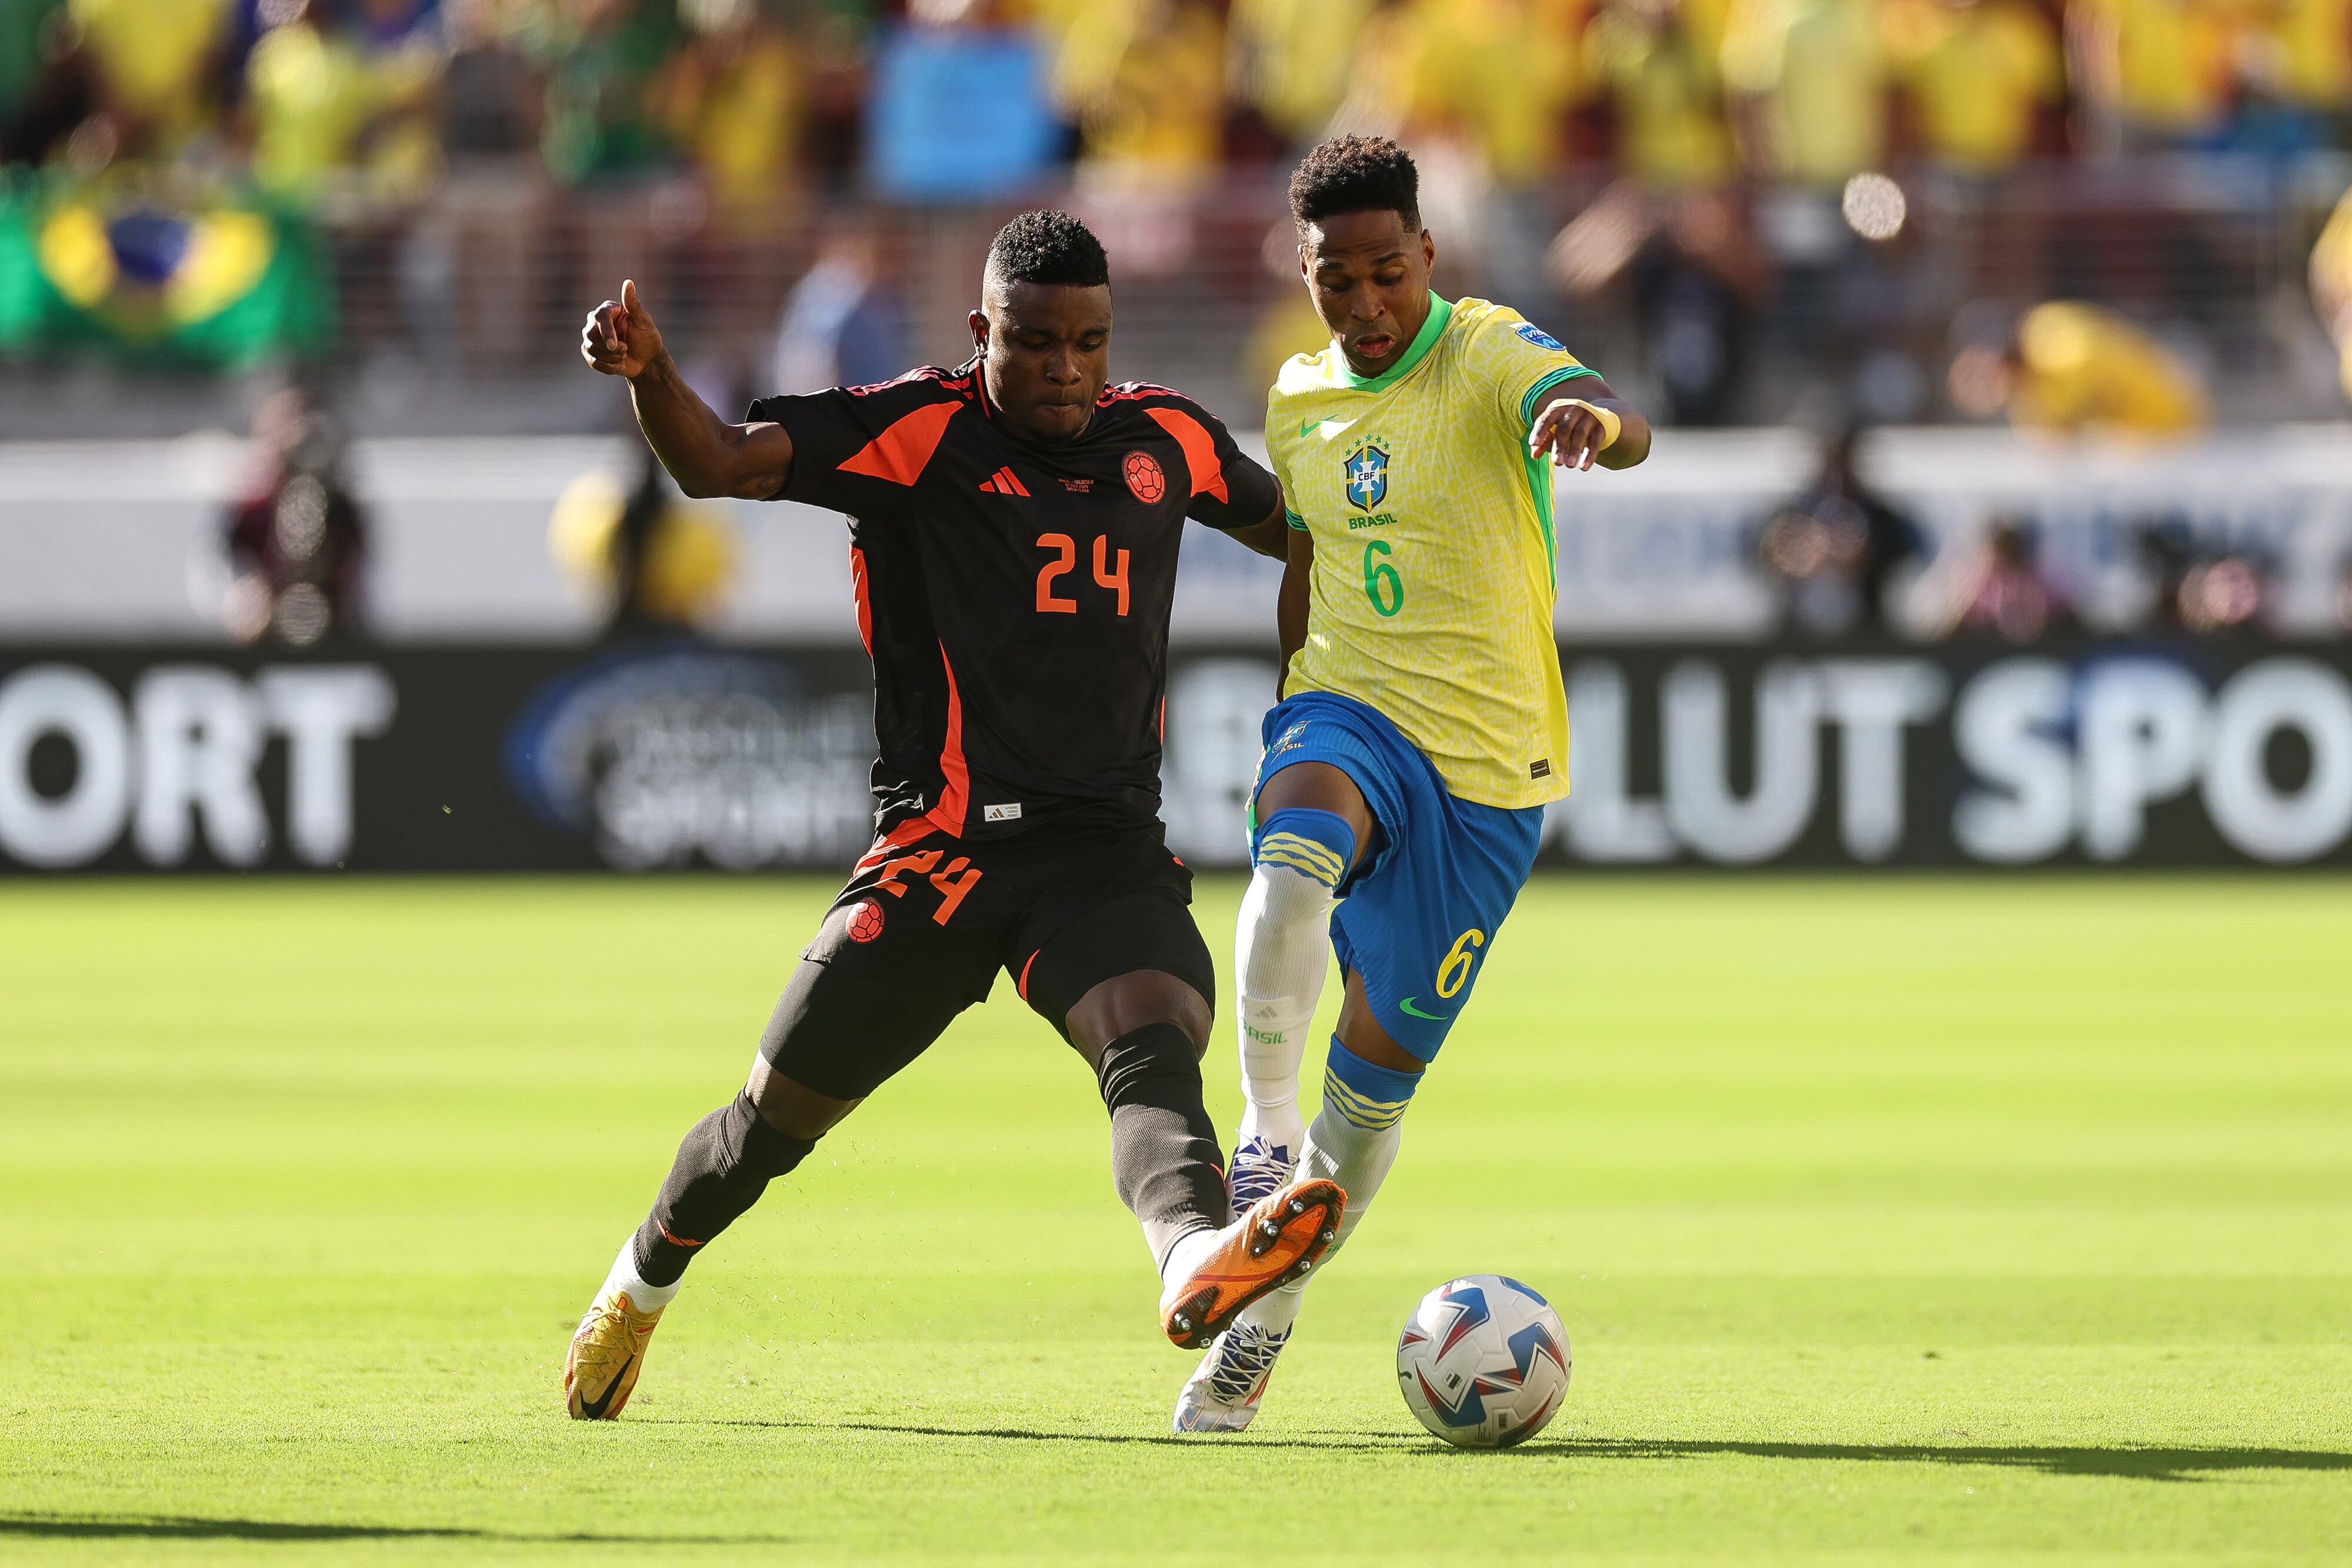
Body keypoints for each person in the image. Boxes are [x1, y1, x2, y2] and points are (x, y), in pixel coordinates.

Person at [562, 210, 1347, 1422]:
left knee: (1152, 1044)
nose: (1064, 370)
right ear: (981, 330)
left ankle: (1193, 1256)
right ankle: (638, 1283)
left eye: (1087, 342)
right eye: (1034, 342)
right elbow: (714, 463)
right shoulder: (912, 429)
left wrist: (1316, 671)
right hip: (940, 852)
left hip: (1101, 849)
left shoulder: (1168, 437)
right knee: (767, 1126)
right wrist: (653, 374)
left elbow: (1301, 535)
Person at [1174, 136, 1651, 1432]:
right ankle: (1256, 1138)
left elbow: (1618, 411)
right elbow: (1306, 556)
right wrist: (1289, 704)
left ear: (1426, 258)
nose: (1366, 304)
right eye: (1338, 279)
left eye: (1387, 272)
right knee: (1289, 873)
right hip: (1345, 707)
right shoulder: (1294, 396)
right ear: (1305, 270)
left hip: (1487, 777)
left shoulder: (1486, 347)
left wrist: (1589, 422)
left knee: (1365, 1120)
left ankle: (1251, 1339)